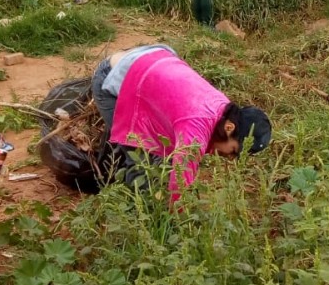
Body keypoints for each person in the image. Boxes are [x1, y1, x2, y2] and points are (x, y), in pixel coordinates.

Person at [91, 44, 271, 202]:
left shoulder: (222, 108)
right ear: (229, 127)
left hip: (149, 60)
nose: (230, 158)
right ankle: (138, 213)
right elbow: (179, 188)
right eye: (233, 150)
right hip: (112, 77)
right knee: (143, 164)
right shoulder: (196, 126)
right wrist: (174, 224)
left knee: (162, 160)